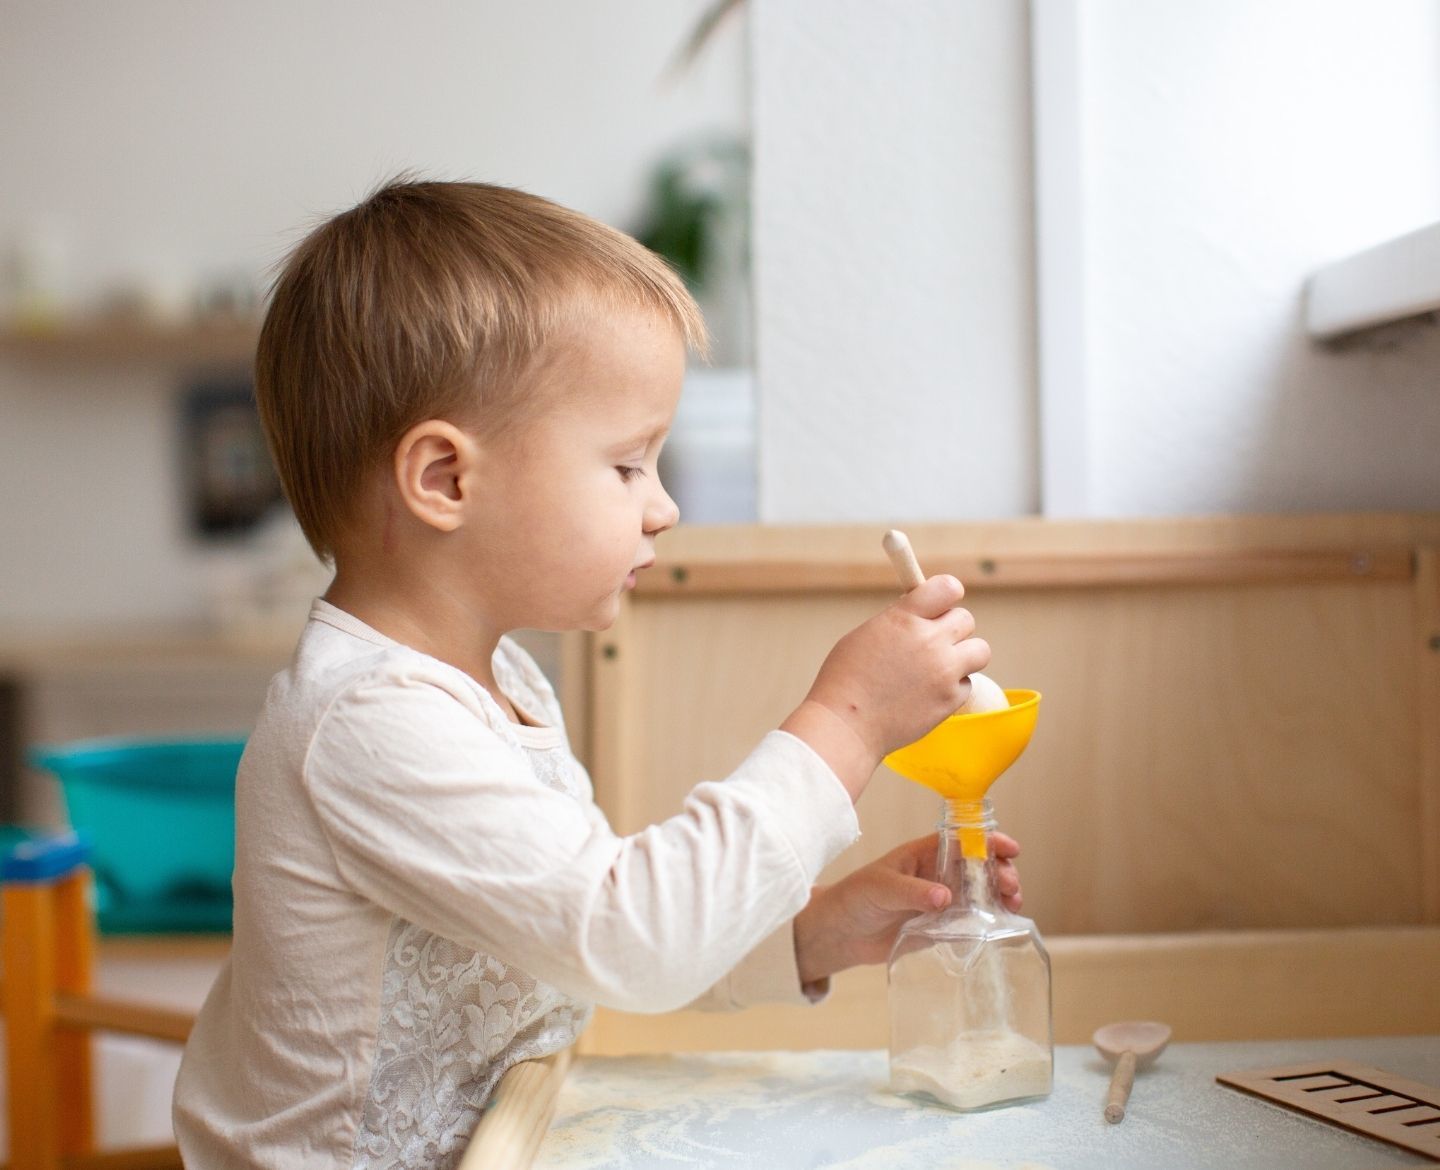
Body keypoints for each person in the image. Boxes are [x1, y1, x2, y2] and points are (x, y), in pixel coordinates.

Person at [172, 178, 1019, 1168]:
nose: (661, 509)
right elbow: (632, 936)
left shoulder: (503, 686)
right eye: (627, 466)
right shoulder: (367, 721)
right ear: (446, 480)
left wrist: (817, 932)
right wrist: (848, 717)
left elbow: (576, 954)